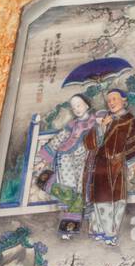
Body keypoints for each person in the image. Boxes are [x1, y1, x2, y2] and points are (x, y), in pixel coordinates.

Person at [83, 87, 135, 244]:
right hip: (101, 165)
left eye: (115, 99)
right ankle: (103, 232)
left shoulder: (130, 120)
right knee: (102, 199)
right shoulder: (104, 118)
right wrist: (101, 127)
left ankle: (110, 231)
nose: (111, 103)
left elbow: (132, 144)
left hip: (118, 165)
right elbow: (89, 143)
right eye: (109, 100)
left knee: (118, 201)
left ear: (124, 100)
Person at [36, 93, 97, 238]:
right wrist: (43, 159)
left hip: (85, 162)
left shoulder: (96, 121)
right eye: (73, 106)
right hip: (65, 163)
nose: (76, 109)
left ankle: (83, 227)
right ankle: (70, 228)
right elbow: (59, 139)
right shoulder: (72, 125)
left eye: (79, 105)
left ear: (87, 105)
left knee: (81, 194)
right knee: (70, 193)